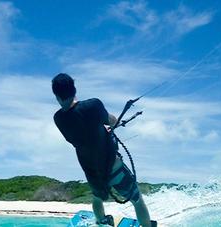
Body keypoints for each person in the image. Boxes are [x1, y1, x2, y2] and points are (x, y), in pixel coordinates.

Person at [52, 73, 153, 227]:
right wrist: (106, 126)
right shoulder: (93, 105)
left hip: (92, 171)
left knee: (97, 198)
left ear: (56, 95)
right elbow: (112, 121)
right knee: (137, 200)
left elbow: (79, 134)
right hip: (113, 166)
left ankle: (102, 222)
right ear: (74, 89)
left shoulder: (58, 119)